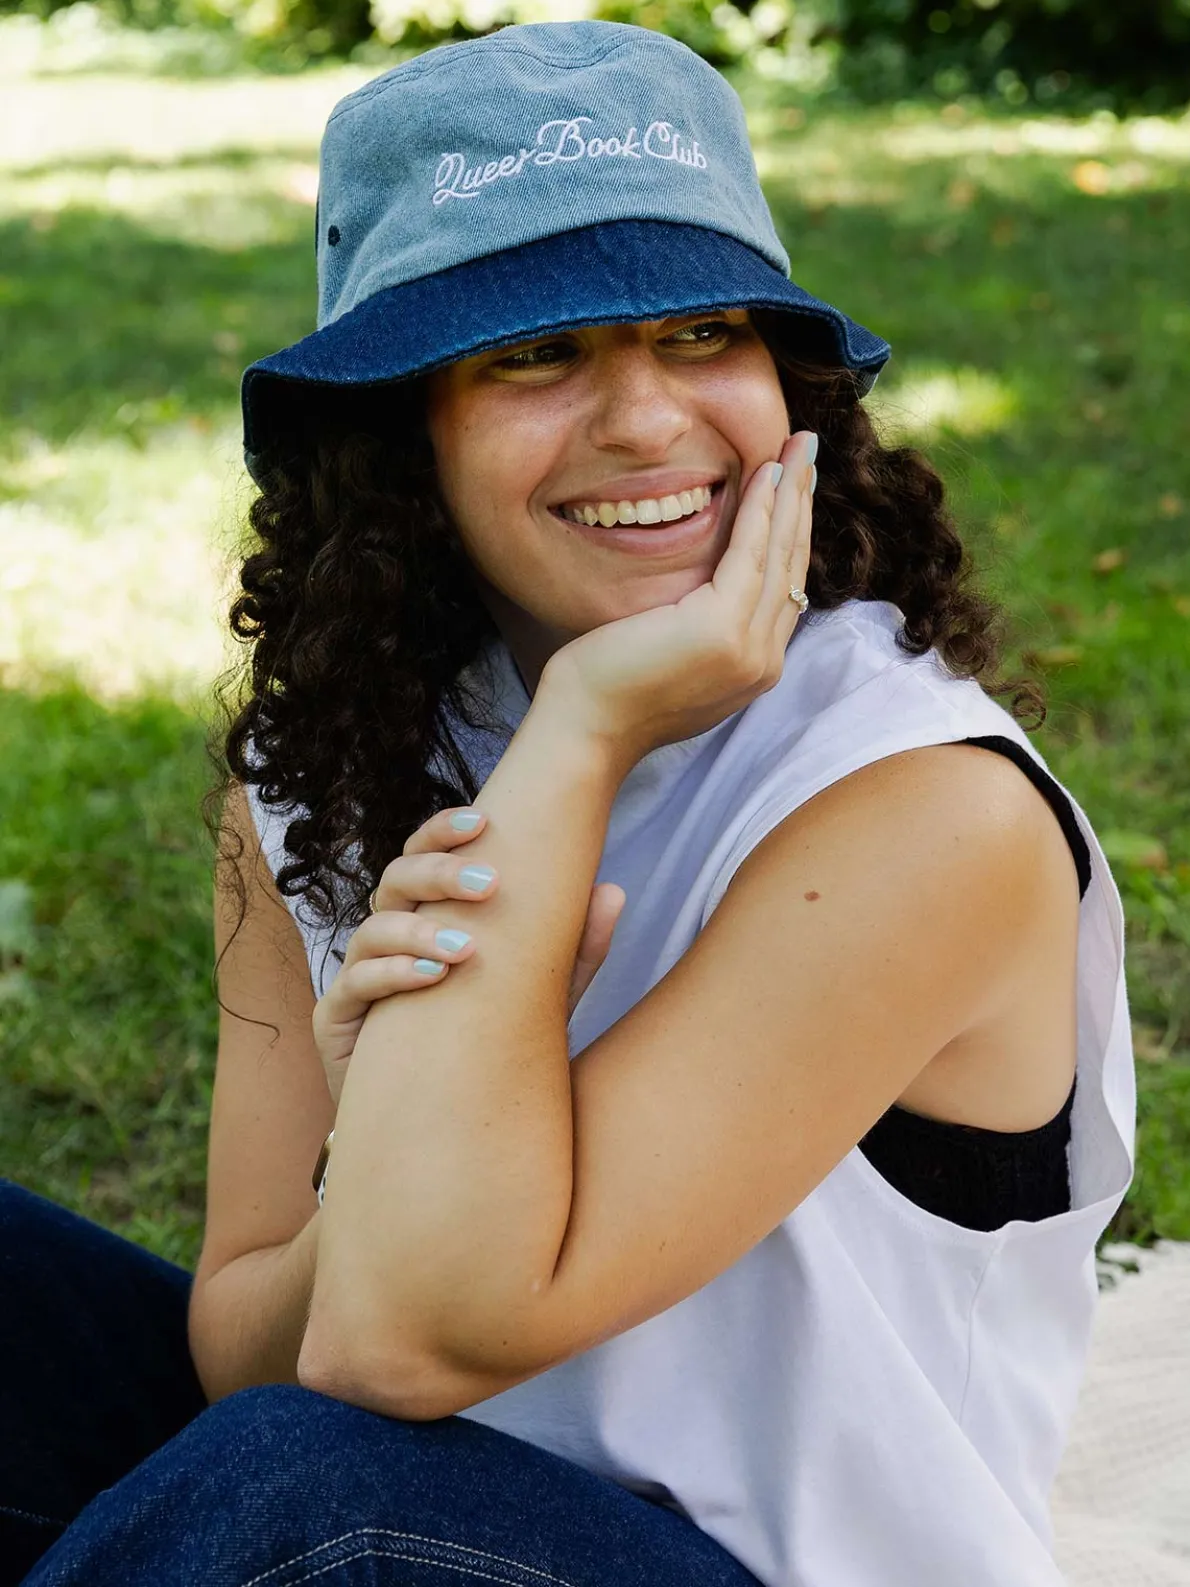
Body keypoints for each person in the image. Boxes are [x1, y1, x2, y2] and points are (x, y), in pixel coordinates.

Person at [1, 19, 1136, 1587]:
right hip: (390, 1496)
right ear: (404, 428)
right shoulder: (312, 777)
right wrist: (386, 1148)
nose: (645, 420)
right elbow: (255, 1344)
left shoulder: (922, 810)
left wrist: (587, 724)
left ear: (787, 384)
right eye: (532, 353)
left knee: (302, 1494)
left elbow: (398, 1354)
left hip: (750, 1566)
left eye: (698, 333)